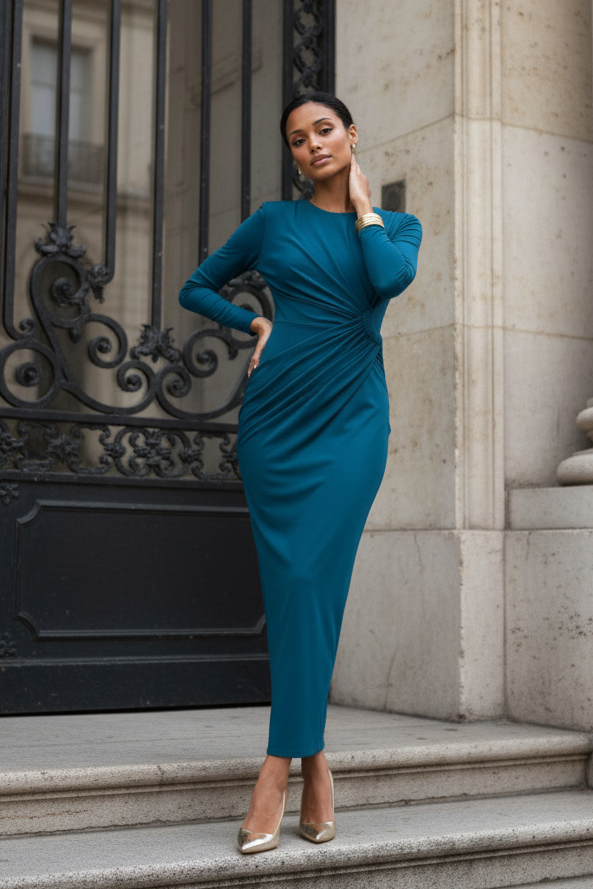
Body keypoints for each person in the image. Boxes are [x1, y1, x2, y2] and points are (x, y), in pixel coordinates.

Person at [179, 91, 422, 854]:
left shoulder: (396, 228)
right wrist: (256, 322)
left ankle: (277, 767)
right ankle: (315, 763)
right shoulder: (271, 221)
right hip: (275, 422)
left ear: (350, 135)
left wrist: (361, 204)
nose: (310, 145)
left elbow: (387, 280)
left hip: (352, 425)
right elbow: (196, 286)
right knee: (294, 587)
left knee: (317, 581)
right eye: (296, 139)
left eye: (323, 131)